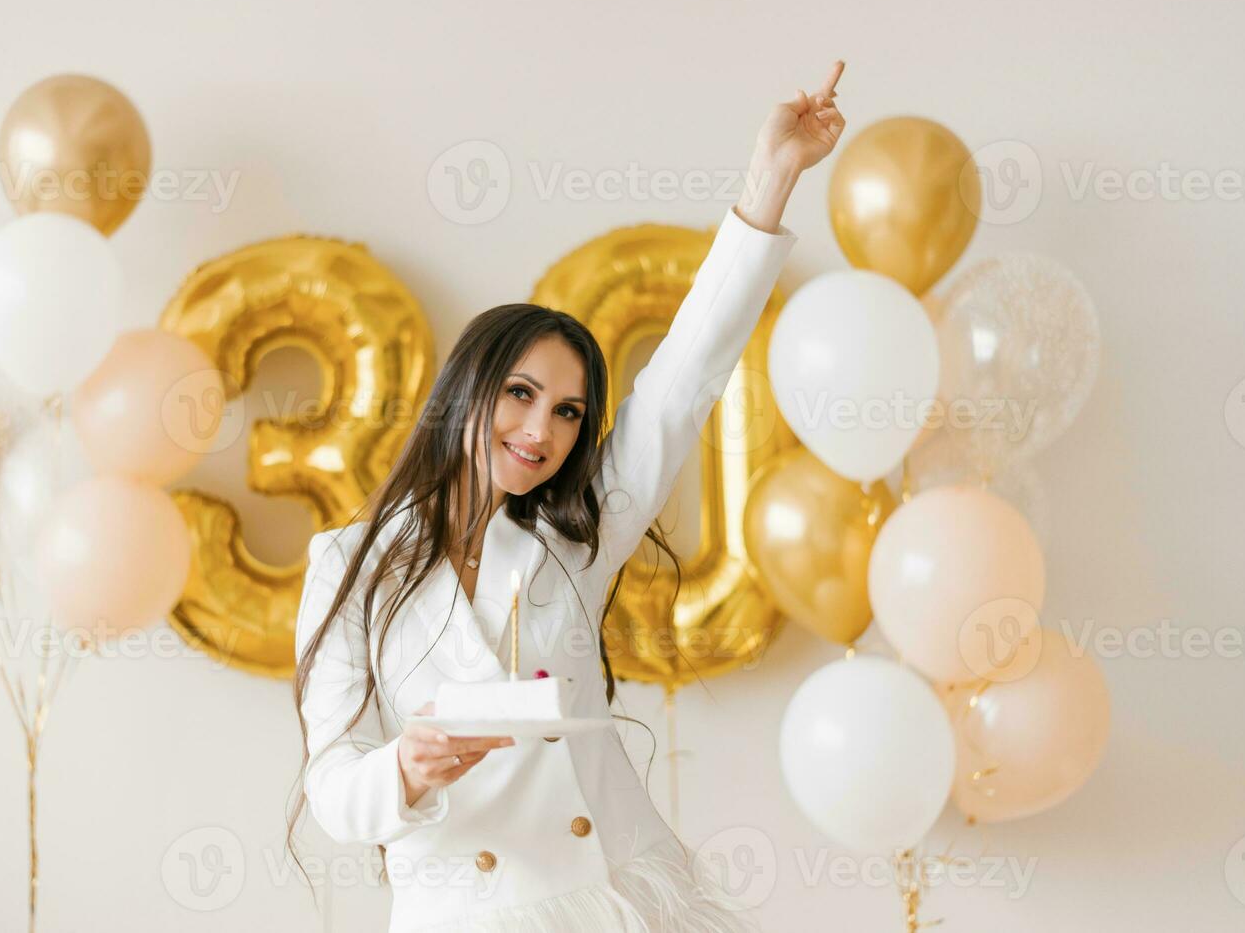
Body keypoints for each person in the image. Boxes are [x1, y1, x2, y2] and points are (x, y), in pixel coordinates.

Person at [291, 62, 847, 932]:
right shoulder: (349, 565)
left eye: (567, 411)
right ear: (465, 391)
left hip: (618, 900)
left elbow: (683, 380)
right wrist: (408, 767)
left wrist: (772, 176)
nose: (540, 430)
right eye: (519, 393)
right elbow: (331, 786)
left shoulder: (573, 536)